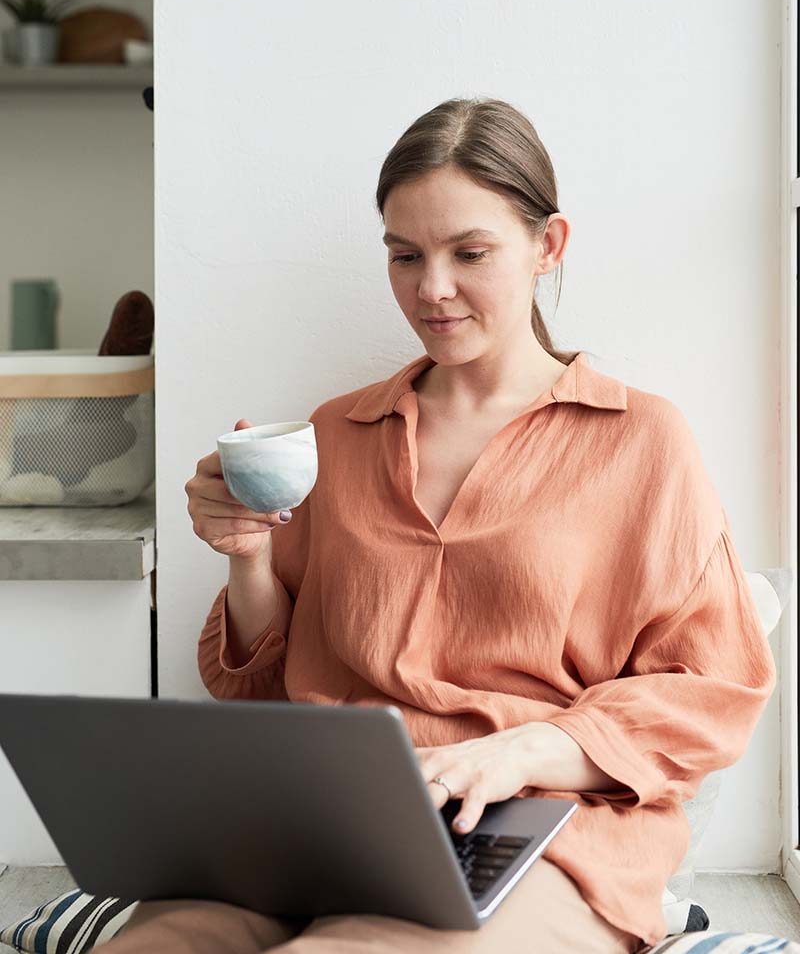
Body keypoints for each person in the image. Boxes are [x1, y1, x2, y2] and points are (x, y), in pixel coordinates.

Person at [104, 97, 776, 954]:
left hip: (545, 834)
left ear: (548, 246)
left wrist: (527, 750)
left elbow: (710, 693)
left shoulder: (641, 440)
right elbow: (255, 685)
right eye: (405, 255)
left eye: (471, 253)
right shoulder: (337, 435)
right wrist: (248, 556)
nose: (433, 289)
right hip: (324, 819)